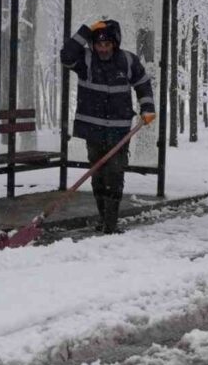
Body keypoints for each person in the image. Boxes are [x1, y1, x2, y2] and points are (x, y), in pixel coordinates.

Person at [61, 19, 156, 234]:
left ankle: (110, 225)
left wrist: (147, 108)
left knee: (115, 173)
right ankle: (104, 220)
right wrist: (85, 31)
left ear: (115, 43)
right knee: (98, 174)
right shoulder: (85, 60)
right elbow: (66, 56)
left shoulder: (128, 61)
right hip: (92, 129)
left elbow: (142, 84)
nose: (103, 49)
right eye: (98, 45)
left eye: (107, 44)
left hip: (119, 130)